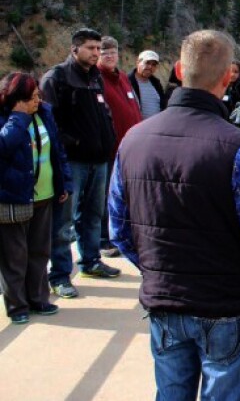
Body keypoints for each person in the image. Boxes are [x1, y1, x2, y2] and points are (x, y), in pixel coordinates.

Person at [108, 29, 240, 399]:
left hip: (165, 302)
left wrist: (158, 270)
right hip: (226, 304)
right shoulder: (237, 146)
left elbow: (119, 230)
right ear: (226, 77)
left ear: (180, 72)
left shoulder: (133, 140)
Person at [40, 27, 120, 299]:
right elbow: (48, 122)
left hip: (99, 160)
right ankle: (60, 275)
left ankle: (90, 261)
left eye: (99, 48)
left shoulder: (95, 77)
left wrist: (107, 140)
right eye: (91, 48)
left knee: (93, 215)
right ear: (74, 49)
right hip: (72, 162)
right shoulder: (57, 78)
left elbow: (104, 114)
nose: (97, 53)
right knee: (62, 223)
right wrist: (72, 143)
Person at [0, 73, 72, 325]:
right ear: (15, 100)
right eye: (31, 98)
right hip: (14, 197)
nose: (37, 102)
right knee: (14, 256)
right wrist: (19, 117)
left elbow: (57, 149)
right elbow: (4, 146)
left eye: (38, 96)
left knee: (40, 252)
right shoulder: (9, 118)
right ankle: (17, 305)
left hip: (45, 194)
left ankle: (38, 298)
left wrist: (63, 181)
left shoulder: (44, 113)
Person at [97, 37, 142, 257]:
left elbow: (133, 106)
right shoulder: (97, 79)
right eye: (105, 52)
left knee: (125, 194)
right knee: (106, 196)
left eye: (113, 52)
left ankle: (122, 234)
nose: (110, 56)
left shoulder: (122, 77)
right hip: (109, 148)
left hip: (129, 147)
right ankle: (104, 239)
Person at [128, 50, 167, 119]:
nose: (150, 67)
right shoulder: (127, 82)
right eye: (147, 63)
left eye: (153, 64)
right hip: (136, 128)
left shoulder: (156, 84)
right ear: (138, 62)